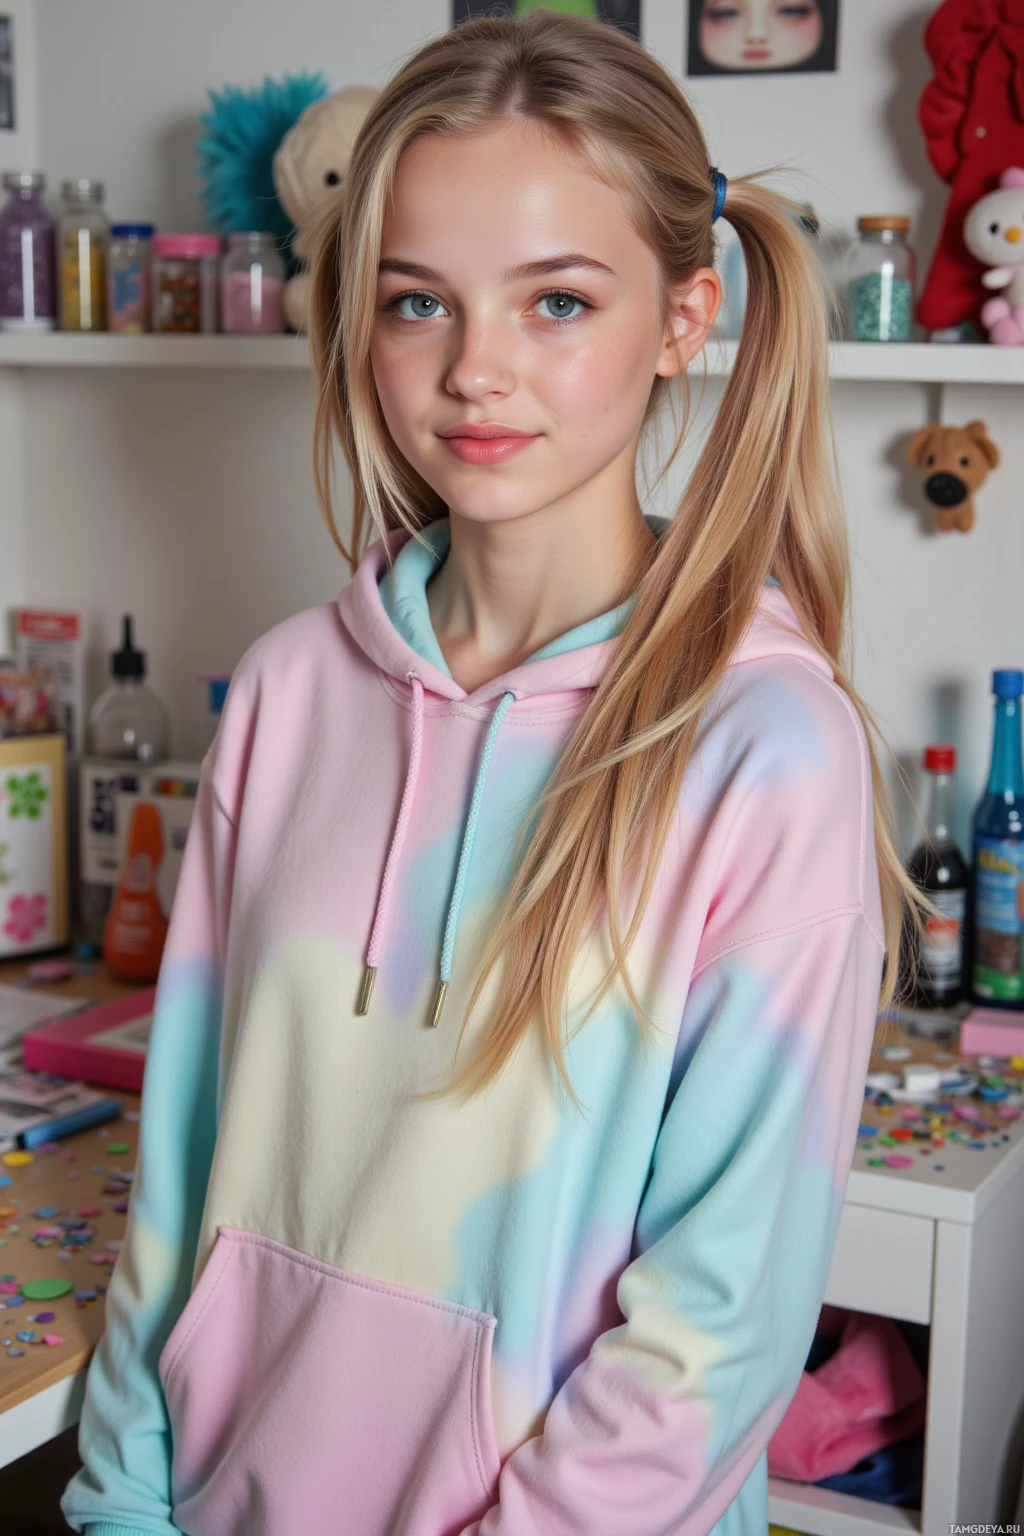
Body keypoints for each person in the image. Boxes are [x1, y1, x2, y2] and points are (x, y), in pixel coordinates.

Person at [62, 12, 919, 1535]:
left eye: (559, 301)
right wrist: (125, 1492)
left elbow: (716, 1327)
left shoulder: (766, 750)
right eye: (417, 303)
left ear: (683, 315)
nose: (476, 372)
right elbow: (182, 1159)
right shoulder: (285, 693)